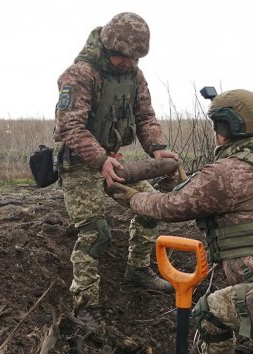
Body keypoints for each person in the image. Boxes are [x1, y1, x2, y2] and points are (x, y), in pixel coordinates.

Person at [108, 89, 253, 353]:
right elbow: (221, 198)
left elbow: (168, 208)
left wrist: (132, 197)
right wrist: (186, 184)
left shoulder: (225, 173)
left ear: (226, 128)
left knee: (207, 315)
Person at [53, 12, 178, 311]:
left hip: (112, 159)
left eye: (134, 57)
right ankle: (84, 303)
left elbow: (145, 116)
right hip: (79, 163)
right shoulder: (80, 74)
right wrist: (99, 160)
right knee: (96, 231)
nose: (127, 62)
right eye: (122, 56)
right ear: (108, 46)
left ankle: (137, 270)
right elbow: (70, 126)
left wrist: (157, 147)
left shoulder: (134, 75)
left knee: (149, 206)